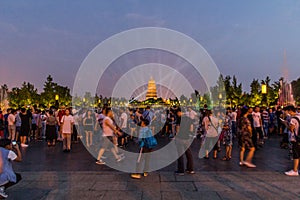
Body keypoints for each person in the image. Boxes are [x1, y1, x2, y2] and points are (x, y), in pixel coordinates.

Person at [174, 109, 194, 176]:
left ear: (179, 112)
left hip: (180, 138)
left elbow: (177, 128)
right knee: (189, 154)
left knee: (180, 154)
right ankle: (190, 169)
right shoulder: (189, 119)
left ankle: (181, 170)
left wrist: (176, 136)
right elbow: (191, 128)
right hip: (187, 137)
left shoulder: (179, 119)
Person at [284, 105, 300, 176]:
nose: (285, 112)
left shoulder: (293, 119)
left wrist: (286, 124)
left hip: (295, 138)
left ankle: (295, 170)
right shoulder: (299, 115)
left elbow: (291, 129)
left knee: (296, 154)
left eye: (286, 111)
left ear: (289, 111)